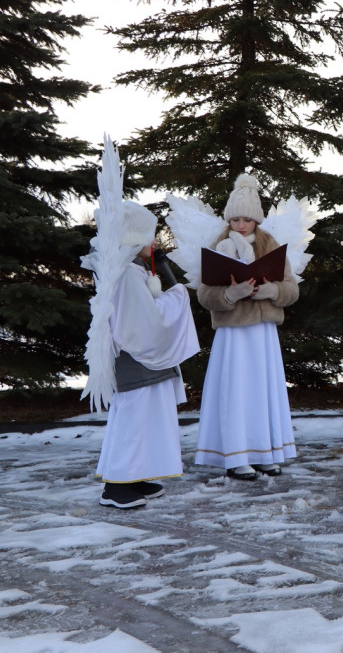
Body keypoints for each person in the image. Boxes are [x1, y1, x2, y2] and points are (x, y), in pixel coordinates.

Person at [94, 202, 201, 508]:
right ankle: (115, 486)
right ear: (131, 238)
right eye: (148, 237)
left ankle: (134, 476)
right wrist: (177, 298)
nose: (153, 243)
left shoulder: (130, 270)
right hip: (137, 360)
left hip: (143, 362)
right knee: (133, 419)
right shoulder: (126, 273)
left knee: (143, 419)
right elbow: (144, 322)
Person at [195, 174, 299, 480]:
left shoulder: (270, 243)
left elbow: (292, 289)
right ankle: (235, 456)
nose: (241, 226)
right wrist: (230, 294)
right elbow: (204, 295)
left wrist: (274, 291)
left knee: (261, 390)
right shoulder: (220, 245)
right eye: (236, 219)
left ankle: (264, 453)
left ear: (257, 220)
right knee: (236, 390)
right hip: (234, 333)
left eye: (247, 220)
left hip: (263, 332)